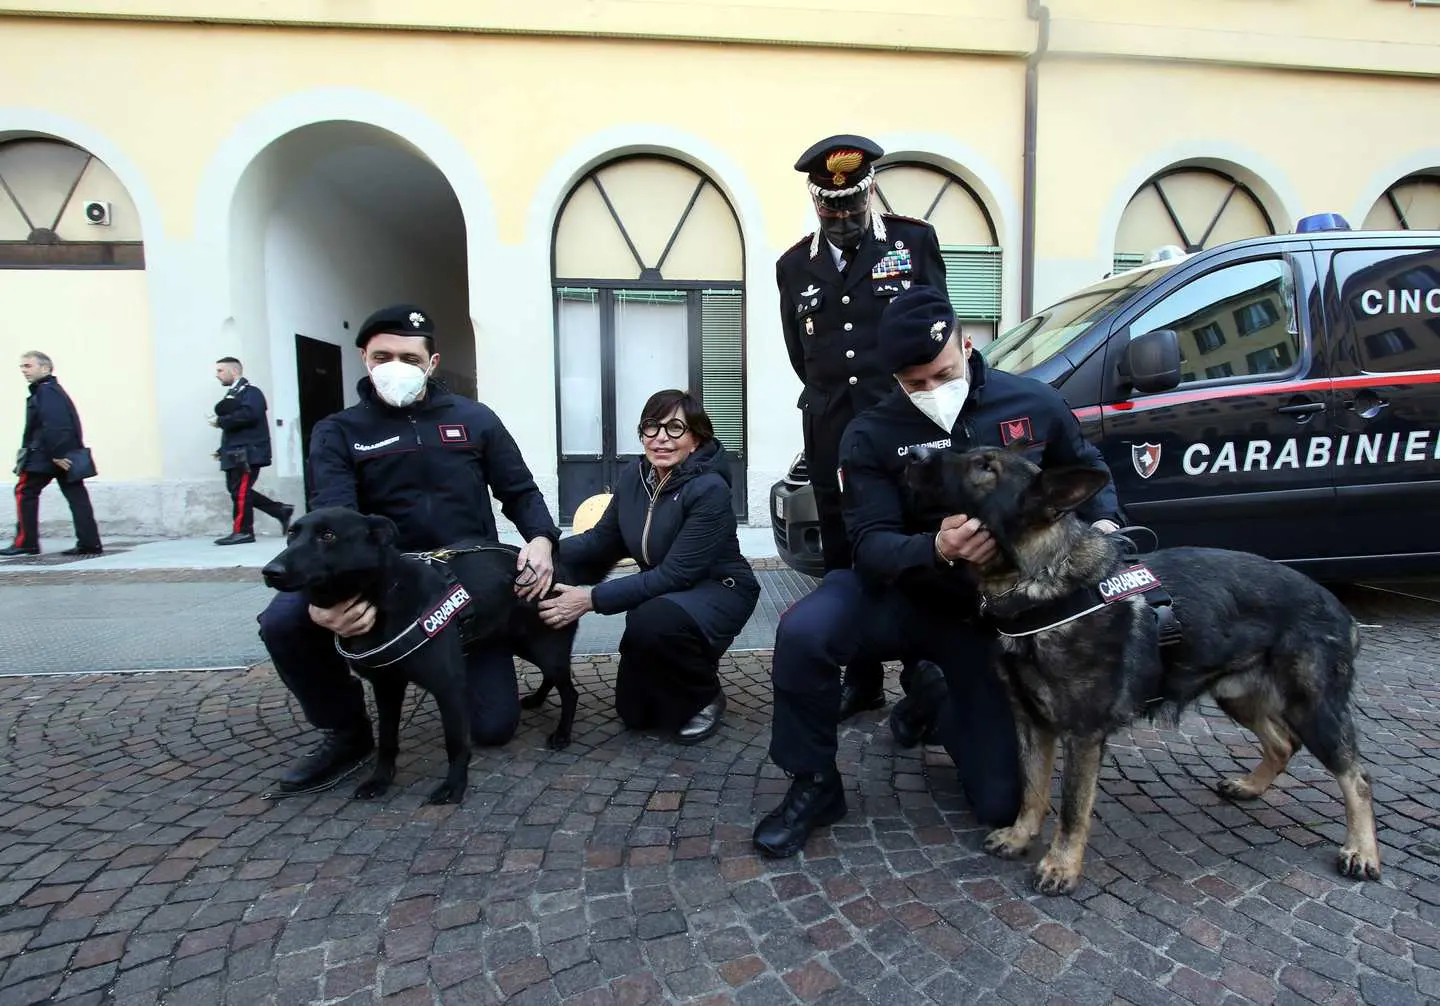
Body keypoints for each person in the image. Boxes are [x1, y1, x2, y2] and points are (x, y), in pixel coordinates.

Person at [753, 284, 1125, 858]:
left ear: (967, 344)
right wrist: (937, 548)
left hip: (986, 620)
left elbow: (1086, 469)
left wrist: (1105, 529)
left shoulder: (1034, 403)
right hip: (898, 593)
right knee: (804, 632)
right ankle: (814, 784)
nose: (931, 391)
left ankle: (932, 699)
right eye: (914, 384)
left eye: (942, 373)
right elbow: (870, 545)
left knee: (1001, 804)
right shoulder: (871, 433)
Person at [257, 303, 561, 795]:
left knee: (493, 729)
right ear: (364, 358)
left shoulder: (475, 419)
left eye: (410, 358)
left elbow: (520, 491)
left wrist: (543, 540)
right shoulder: (339, 431)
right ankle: (347, 730)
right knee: (284, 621)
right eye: (382, 356)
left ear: (432, 364)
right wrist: (324, 604)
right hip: (385, 577)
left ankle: (465, 655)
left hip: (468, 579)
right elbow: (332, 518)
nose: (396, 367)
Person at [777, 133, 948, 722]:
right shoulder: (793, 265)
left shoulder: (912, 242)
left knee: (913, 541)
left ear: (869, 192)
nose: (841, 216)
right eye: (830, 205)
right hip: (831, 435)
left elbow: (935, 329)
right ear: (815, 200)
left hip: (904, 428)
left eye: (850, 204)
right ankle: (862, 674)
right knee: (844, 552)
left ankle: (926, 669)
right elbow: (801, 355)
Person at [538, 390, 759, 744]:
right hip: (665, 597)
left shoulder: (710, 490)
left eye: (675, 428)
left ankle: (704, 694)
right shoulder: (635, 477)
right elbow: (599, 541)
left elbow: (677, 574)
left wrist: (590, 599)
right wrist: (542, 550)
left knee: (651, 621)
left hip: (720, 588)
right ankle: (672, 669)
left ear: (696, 439)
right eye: (651, 427)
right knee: (635, 714)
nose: (660, 437)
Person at [3, 351, 102, 558]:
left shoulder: (46, 392)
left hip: (47, 455)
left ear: (45, 368)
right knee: (77, 496)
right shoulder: (52, 390)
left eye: (28, 366)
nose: (23, 370)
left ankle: (26, 543)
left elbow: (55, 424)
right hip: (63, 454)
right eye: (22, 366)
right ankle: (89, 543)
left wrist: (57, 454)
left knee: (25, 492)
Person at [211, 357, 293, 546]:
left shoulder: (251, 392)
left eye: (220, 370)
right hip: (235, 452)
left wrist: (220, 421)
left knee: (240, 492)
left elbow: (250, 415)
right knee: (238, 491)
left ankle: (243, 532)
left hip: (247, 453)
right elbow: (238, 430)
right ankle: (280, 510)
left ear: (234, 371)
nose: (217, 375)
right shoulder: (234, 394)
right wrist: (221, 450)